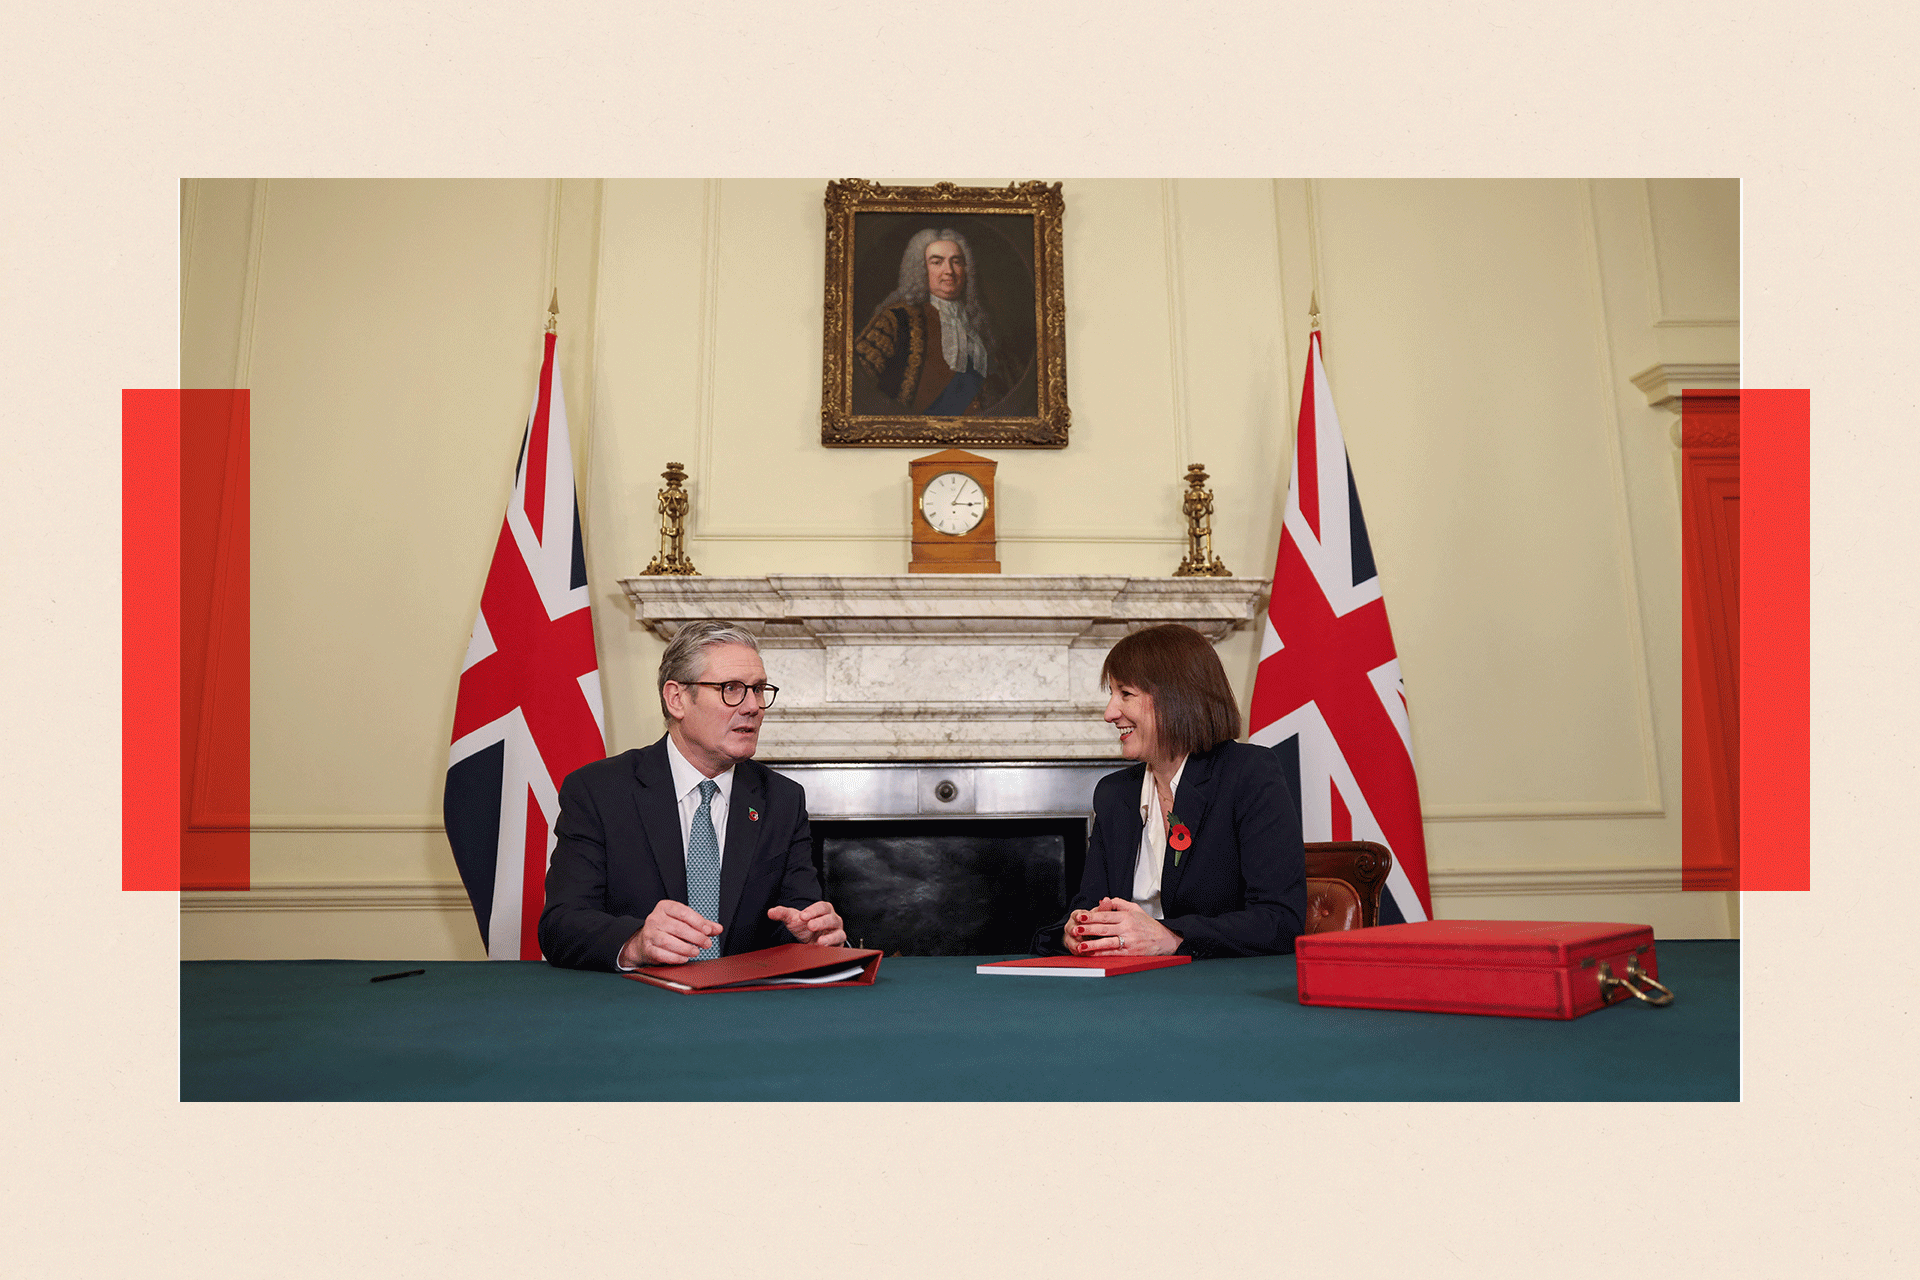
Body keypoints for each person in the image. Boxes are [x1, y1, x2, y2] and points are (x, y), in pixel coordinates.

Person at [538, 621, 845, 971]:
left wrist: (812, 936)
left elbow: (793, 920)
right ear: (677, 698)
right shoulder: (599, 791)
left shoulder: (782, 800)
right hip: (637, 1008)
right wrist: (636, 942)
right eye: (731, 689)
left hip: (745, 1009)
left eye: (758, 689)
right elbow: (560, 926)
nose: (752, 706)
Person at [1033, 624, 1308, 958]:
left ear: (1174, 698)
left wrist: (1172, 938)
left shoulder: (1249, 773)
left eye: (1125, 694)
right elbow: (1088, 906)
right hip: (1120, 989)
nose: (1109, 713)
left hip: (1216, 992)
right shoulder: (1114, 793)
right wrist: (1077, 930)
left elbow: (1279, 922)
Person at [854, 226, 1014, 416]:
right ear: (921, 269)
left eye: (957, 262)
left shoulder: (981, 325)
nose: (949, 271)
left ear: (967, 269)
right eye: (937, 262)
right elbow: (856, 384)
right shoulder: (895, 320)